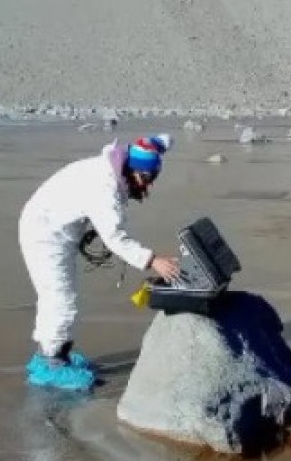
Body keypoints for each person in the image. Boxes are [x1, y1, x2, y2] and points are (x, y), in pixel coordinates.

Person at [18, 134, 182, 391]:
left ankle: (56, 354)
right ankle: (49, 363)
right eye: (145, 179)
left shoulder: (114, 170)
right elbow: (116, 237)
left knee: (59, 296)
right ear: (131, 169)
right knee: (59, 298)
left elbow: (158, 142)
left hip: (54, 228)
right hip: (44, 234)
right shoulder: (104, 187)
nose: (146, 188)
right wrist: (153, 261)